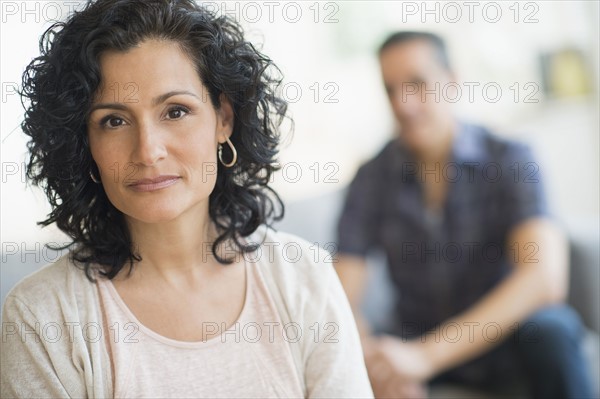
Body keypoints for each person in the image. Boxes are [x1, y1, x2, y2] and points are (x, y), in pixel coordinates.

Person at [0, 1, 373, 397]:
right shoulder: (41, 317)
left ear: (223, 119)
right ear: (85, 142)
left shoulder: (303, 278)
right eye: (114, 121)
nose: (148, 151)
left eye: (175, 111)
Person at [335, 31, 595, 399]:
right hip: (414, 338)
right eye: (391, 90)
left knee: (554, 328)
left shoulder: (510, 158)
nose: (402, 105)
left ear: (452, 81)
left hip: (501, 338)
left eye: (417, 84)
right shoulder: (371, 177)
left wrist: (427, 356)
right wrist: (371, 359)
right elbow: (339, 296)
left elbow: (544, 278)